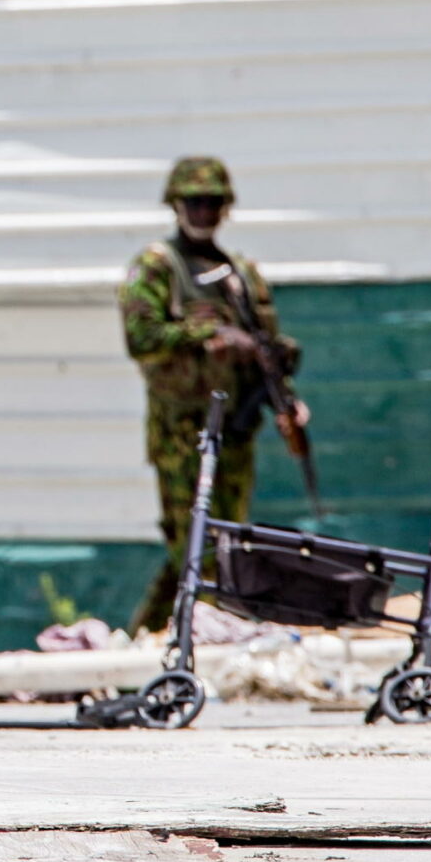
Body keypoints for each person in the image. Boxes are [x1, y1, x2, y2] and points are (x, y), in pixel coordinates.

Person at [118, 155, 307, 633]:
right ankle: (193, 643)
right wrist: (205, 336)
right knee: (194, 545)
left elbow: (266, 348)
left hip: (235, 428)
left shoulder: (241, 273)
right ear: (176, 205)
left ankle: (148, 635)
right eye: (194, 202)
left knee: (222, 544)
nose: (204, 212)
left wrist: (286, 398)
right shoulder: (158, 267)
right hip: (184, 430)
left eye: (213, 203)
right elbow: (141, 338)